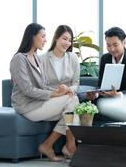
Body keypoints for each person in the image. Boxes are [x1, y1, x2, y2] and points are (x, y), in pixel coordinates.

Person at [10, 23, 79, 162]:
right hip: (27, 106)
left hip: (39, 102)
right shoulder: (19, 59)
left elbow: (43, 86)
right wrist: (56, 94)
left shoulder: (36, 59)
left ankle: (49, 145)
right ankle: (68, 147)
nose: (45, 40)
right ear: (32, 37)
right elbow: (28, 90)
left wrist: (60, 92)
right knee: (73, 101)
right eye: (42, 36)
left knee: (71, 105)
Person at [87, 27, 126, 120]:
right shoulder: (105, 58)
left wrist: (119, 95)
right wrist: (95, 94)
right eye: (108, 45)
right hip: (107, 98)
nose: (112, 49)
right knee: (90, 106)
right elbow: (101, 85)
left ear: (124, 42)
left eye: (115, 45)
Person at [40, 25, 80, 97]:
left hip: (69, 95)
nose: (67, 43)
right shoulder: (42, 59)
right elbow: (41, 86)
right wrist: (57, 92)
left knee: (73, 100)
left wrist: (68, 89)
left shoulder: (73, 58)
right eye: (64, 39)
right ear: (56, 38)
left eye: (70, 40)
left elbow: (76, 83)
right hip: (51, 97)